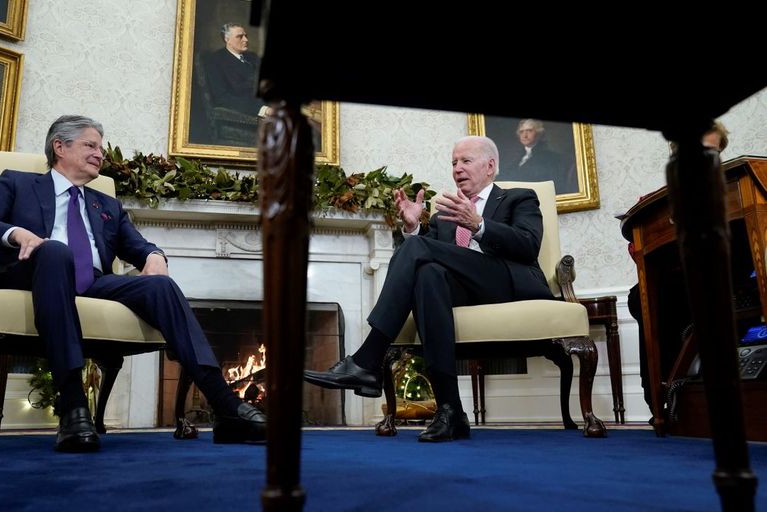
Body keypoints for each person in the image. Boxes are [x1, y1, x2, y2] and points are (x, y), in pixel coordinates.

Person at [0, 115, 266, 452]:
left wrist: (155, 255)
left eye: (100, 147)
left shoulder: (106, 205)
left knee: (160, 286)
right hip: (29, 274)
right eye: (90, 145)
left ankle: (225, 405)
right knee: (56, 251)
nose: (99, 154)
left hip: (91, 282)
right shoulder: (18, 183)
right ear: (60, 147)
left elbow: (138, 245)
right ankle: (73, 405)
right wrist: (15, 233)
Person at [304, 135, 554, 442]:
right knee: (428, 276)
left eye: (466, 161)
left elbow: (528, 246)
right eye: (453, 163)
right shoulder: (443, 215)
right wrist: (413, 228)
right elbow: (427, 254)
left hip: (506, 283)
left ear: (490, 167)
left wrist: (479, 225)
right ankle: (450, 412)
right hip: (460, 289)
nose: (457, 169)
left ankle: (369, 358)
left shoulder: (519, 198)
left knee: (420, 252)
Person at [626, 120, 730, 418]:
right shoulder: (657, 201)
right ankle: (662, 399)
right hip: (676, 279)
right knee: (643, 296)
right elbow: (637, 248)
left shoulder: (736, 187)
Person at [204, 23, 270, 118]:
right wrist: (263, 109)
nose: (246, 40)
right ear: (227, 40)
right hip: (249, 112)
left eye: (246, 36)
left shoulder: (252, 57)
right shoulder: (215, 61)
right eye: (240, 37)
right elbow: (222, 98)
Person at [498, 118, 573, 196]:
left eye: (529, 131)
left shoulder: (550, 158)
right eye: (521, 132)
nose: (524, 135)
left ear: (539, 133)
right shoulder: (517, 157)